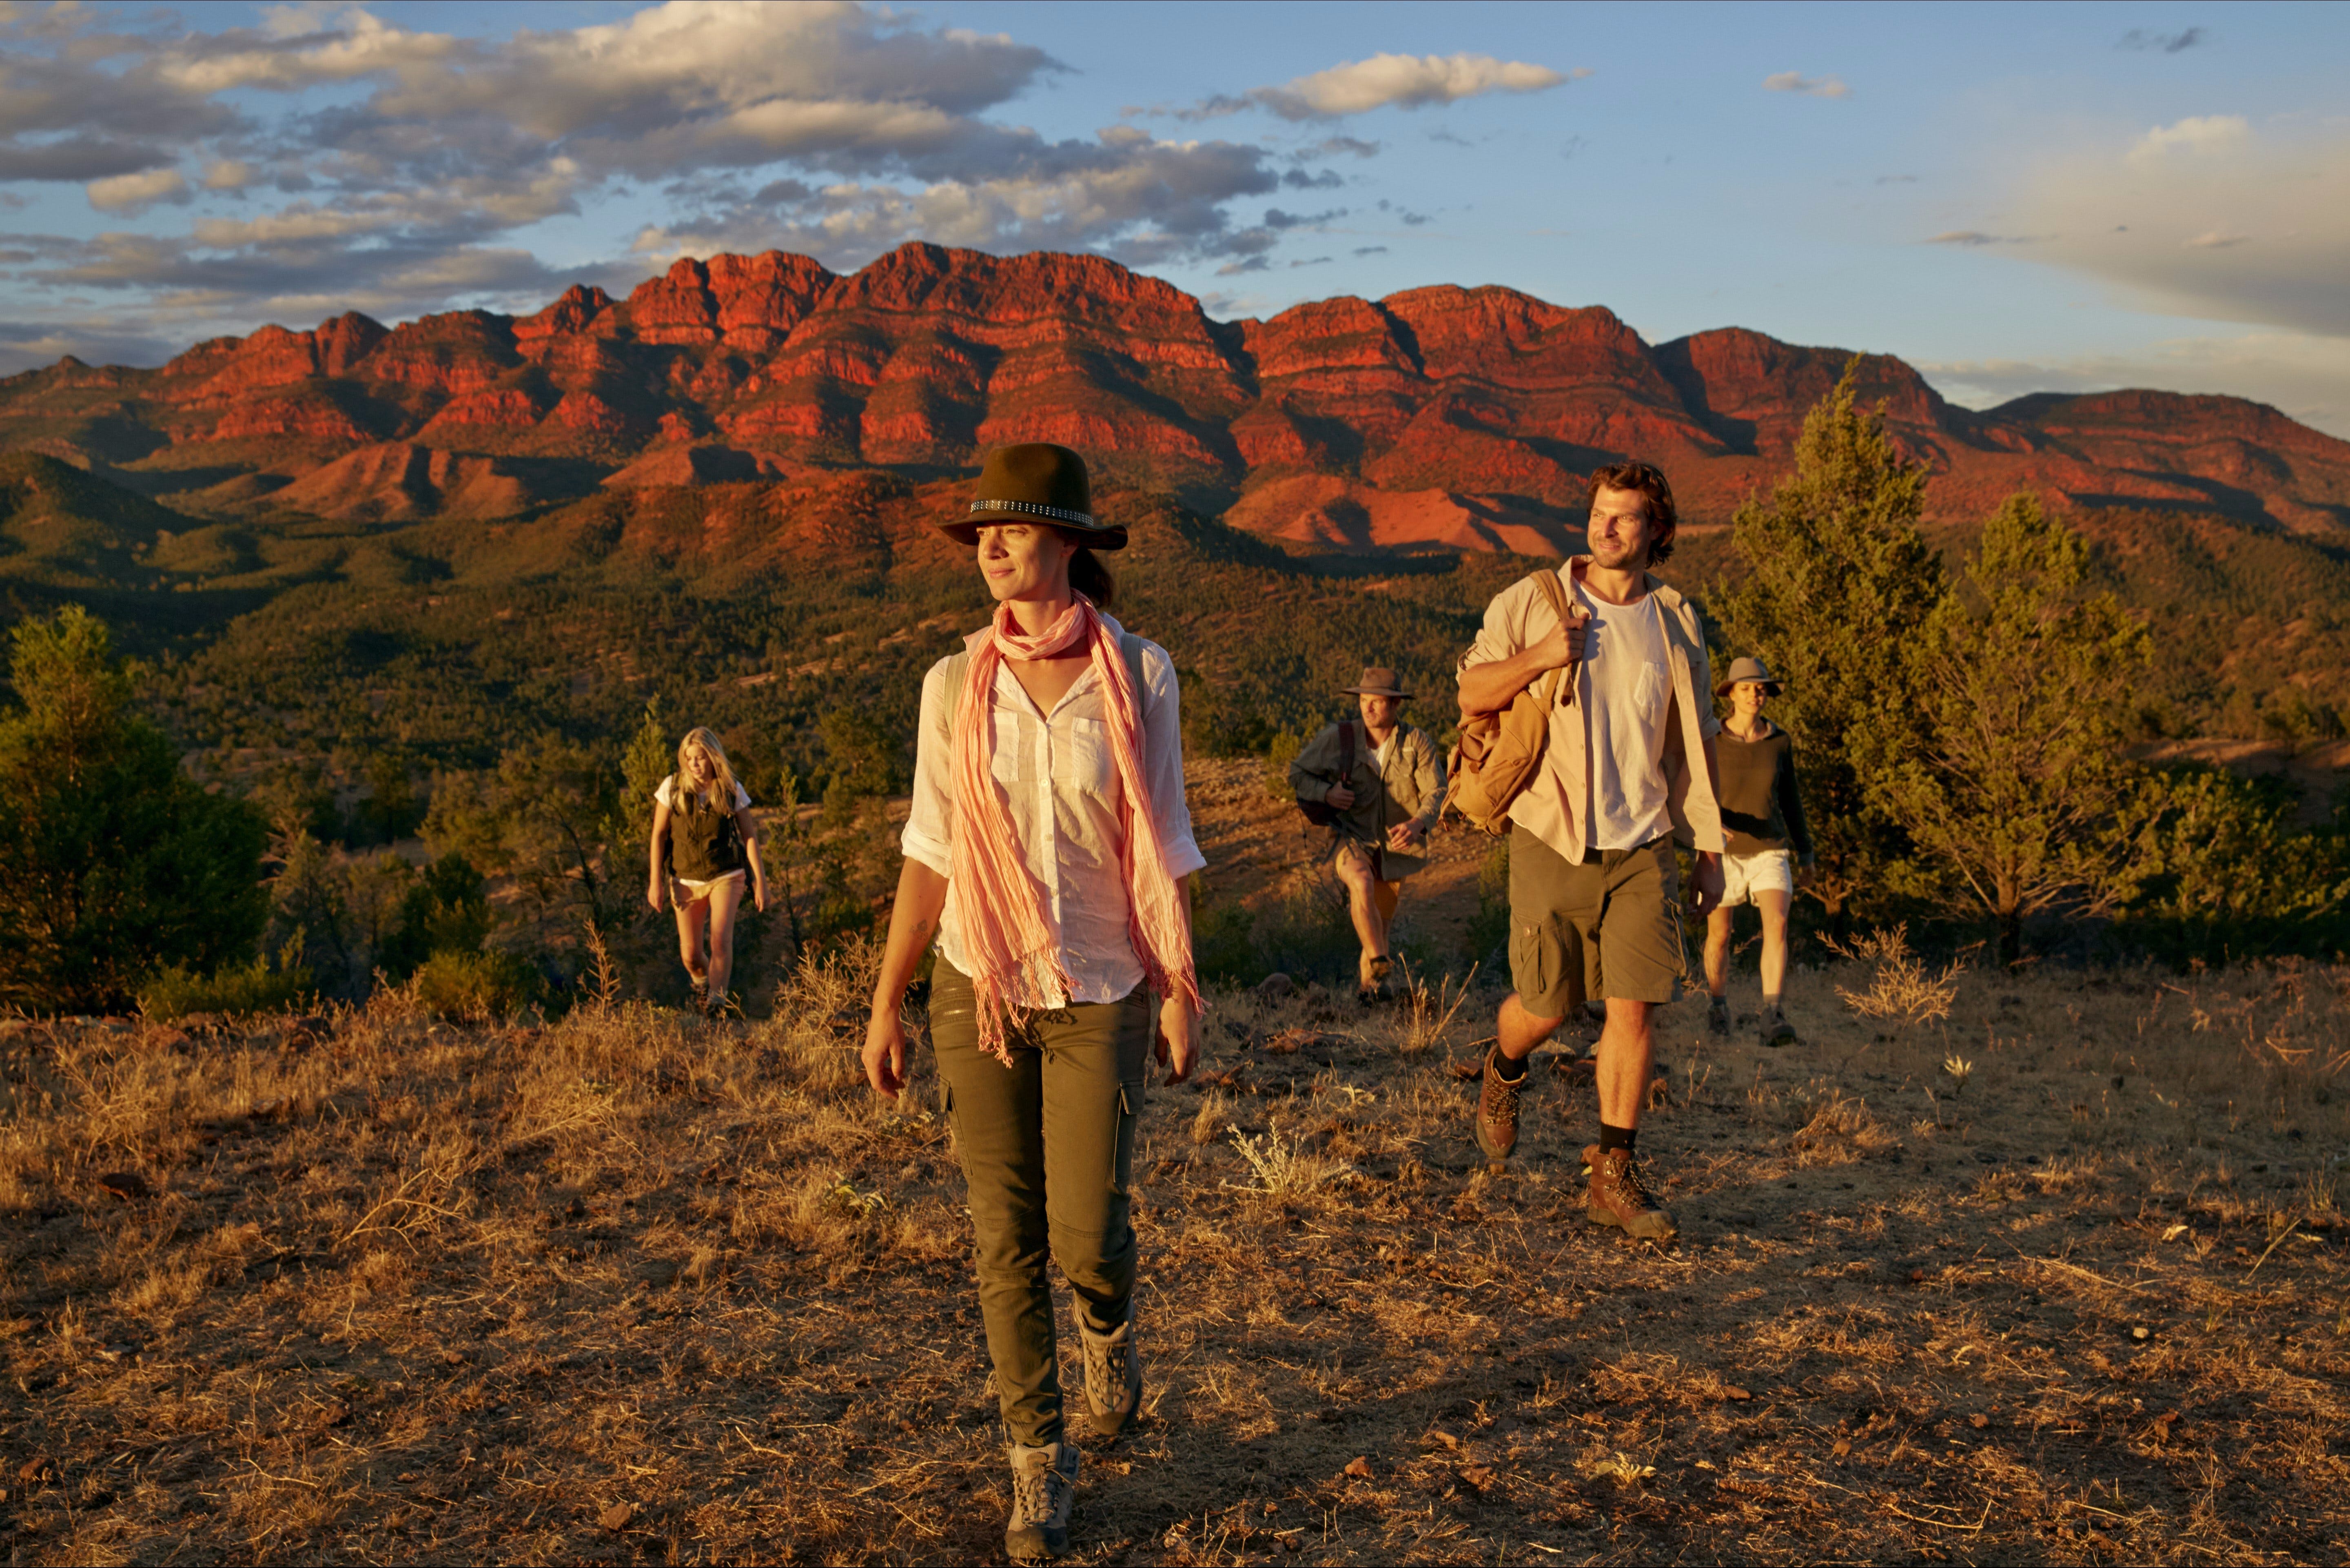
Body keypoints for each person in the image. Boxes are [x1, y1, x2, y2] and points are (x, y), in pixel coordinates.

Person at [861, 443, 1203, 1563]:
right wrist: (887, 1002)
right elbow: (930, 851)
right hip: (980, 978)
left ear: (1070, 544)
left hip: (1101, 979)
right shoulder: (953, 684)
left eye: (1013, 530)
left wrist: (1175, 983)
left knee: (1086, 1228)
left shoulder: (1141, 674)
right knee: (1003, 1236)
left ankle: (1109, 1322)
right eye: (982, 536)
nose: (993, 548)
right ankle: (1036, 1459)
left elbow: (1162, 839)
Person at [1455, 461, 1726, 1242]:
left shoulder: (1676, 620)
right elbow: (1472, 695)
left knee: (1636, 1005)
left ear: (1657, 532)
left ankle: (1613, 1173)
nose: (1605, 527)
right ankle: (1505, 1066)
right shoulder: (1534, 600)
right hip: (1553, 832)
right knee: (1549, 1005)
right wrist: (1542, 655)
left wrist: (1707, 847)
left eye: (1625, 516)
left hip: (1644, 841)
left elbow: (1694, 744)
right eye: (1598, 512)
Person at [1288, 667, 1446, 1000]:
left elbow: (1437, 791)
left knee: (1379, 929)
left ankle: (1369, 996)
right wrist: (1327, 792)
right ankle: (1380, 965)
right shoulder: (1340, 738)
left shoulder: (1416, 743)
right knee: (1360, 880)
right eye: (1363, 701)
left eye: (1376, 702)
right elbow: (1298, 773)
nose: (1367, 708)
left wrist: (1418, 823)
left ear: (1395, 705)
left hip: (1396, 851)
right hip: (1350, 838)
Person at [1703, 656, 1813, 1046]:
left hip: (1770, 848)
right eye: (1747, 687)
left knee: (1778, 925)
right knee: (1720, 933)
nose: (1755, 694)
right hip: (1723, 852)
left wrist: (1807, 852)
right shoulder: (1711, 738)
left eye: (1761, 687)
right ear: (1731, 693)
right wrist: (1707, 824)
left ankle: (1772, 1014)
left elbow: (1791, 798)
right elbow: (1691, 790)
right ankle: (1718, 1006)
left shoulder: (1779, 741)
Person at [645, 727, 768, 1015]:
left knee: (719, 941)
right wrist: (655, 882)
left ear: (713, 757)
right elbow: (659, 835)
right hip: (684, 879)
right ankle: (703, 985)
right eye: (689, 759)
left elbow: (750, 836)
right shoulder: (672, 788)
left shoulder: (730, 789)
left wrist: (760, 882)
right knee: (690, 954)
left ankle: (717, 1006)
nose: (694, 765)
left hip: (726, 875)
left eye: (700, 758)